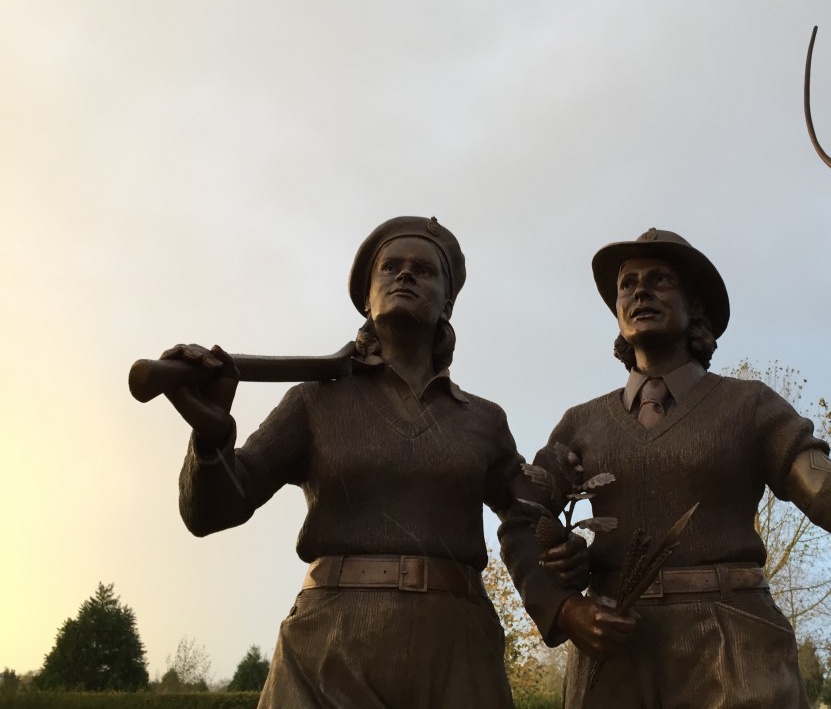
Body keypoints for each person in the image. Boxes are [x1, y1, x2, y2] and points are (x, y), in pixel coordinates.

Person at [161, 216, 583, 709]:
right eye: (390, 268)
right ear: (367, 298)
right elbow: (212, 511)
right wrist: (211, 439)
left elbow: (525, 520)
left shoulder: (484, 421)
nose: (404, 276)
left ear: (448, 303)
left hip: (457, 650)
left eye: (423, 270)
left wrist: (561, 585)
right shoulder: (313, 403)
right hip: (329, 648)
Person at [501, 228, 831, 708]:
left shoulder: (751, 406)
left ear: (696, 307)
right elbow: (523, 521)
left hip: (735, 651)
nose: (639, 291)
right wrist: (565, 609)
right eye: (627, 284)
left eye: (660, 279)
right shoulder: (580, 424)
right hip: (614, 654)